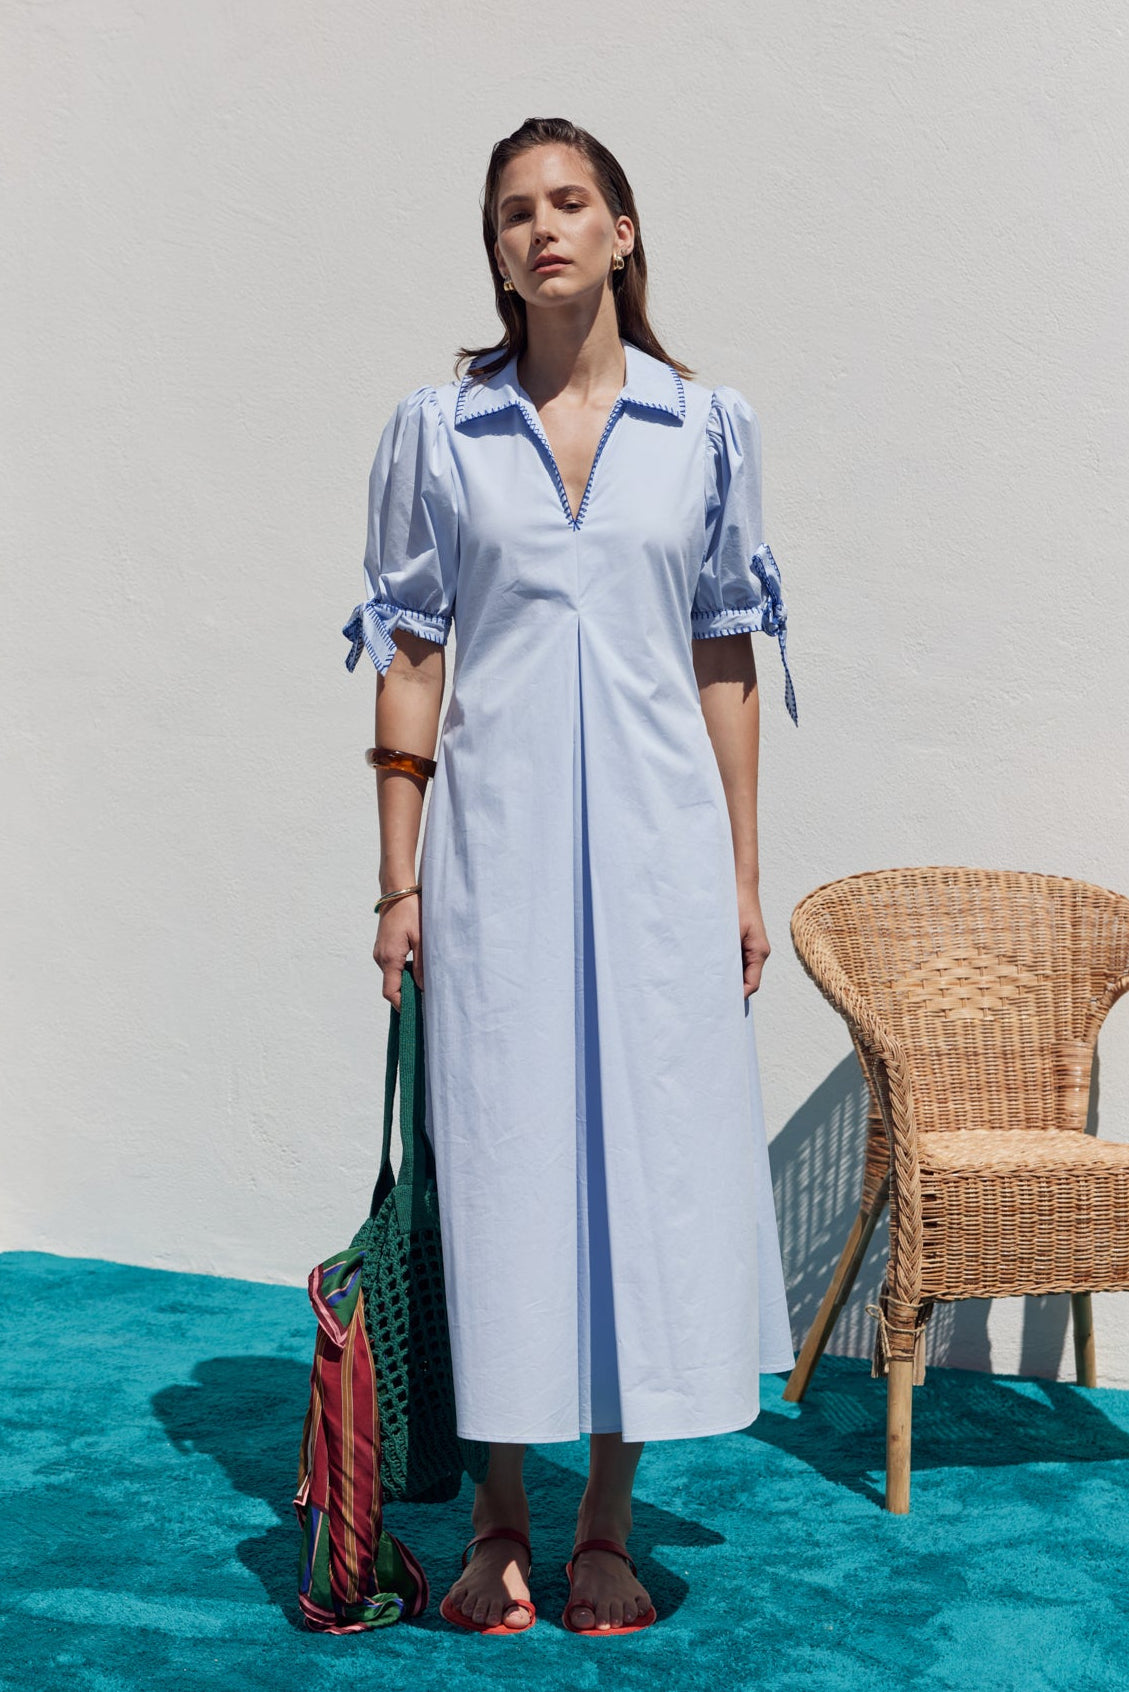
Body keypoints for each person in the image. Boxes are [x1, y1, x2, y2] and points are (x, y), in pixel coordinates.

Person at [342, 116, 797, 1637]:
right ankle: (496, 1519)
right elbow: (413, 656)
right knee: (505, 1168)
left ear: (621, 231)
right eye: (512, 213)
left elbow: (724, 657)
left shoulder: (704, 426)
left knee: (643, 1177)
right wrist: (397, 884)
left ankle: (605, 1523)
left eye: (569, 202)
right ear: (495, 251)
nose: (540, 228)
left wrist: (742, 875)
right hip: (496, 854)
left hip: (664, 856)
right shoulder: (441, 431)